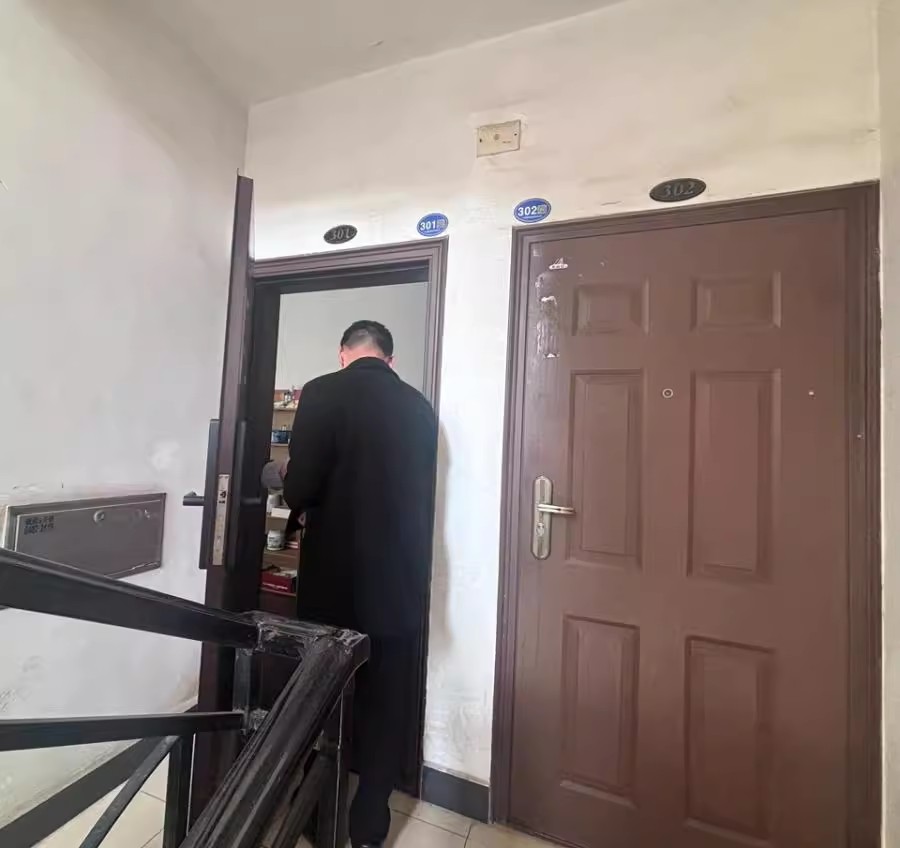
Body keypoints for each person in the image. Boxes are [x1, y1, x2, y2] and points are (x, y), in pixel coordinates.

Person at [280, 319, 438, 848]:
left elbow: (300, 488)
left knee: (321, 692)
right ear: (390, 360)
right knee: (387, 698)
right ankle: (370, 824)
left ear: (343, 353)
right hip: (400, 579)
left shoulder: (322, 392)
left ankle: (313, 814)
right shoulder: (419, 407)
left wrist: (286, 482)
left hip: (335, 579)